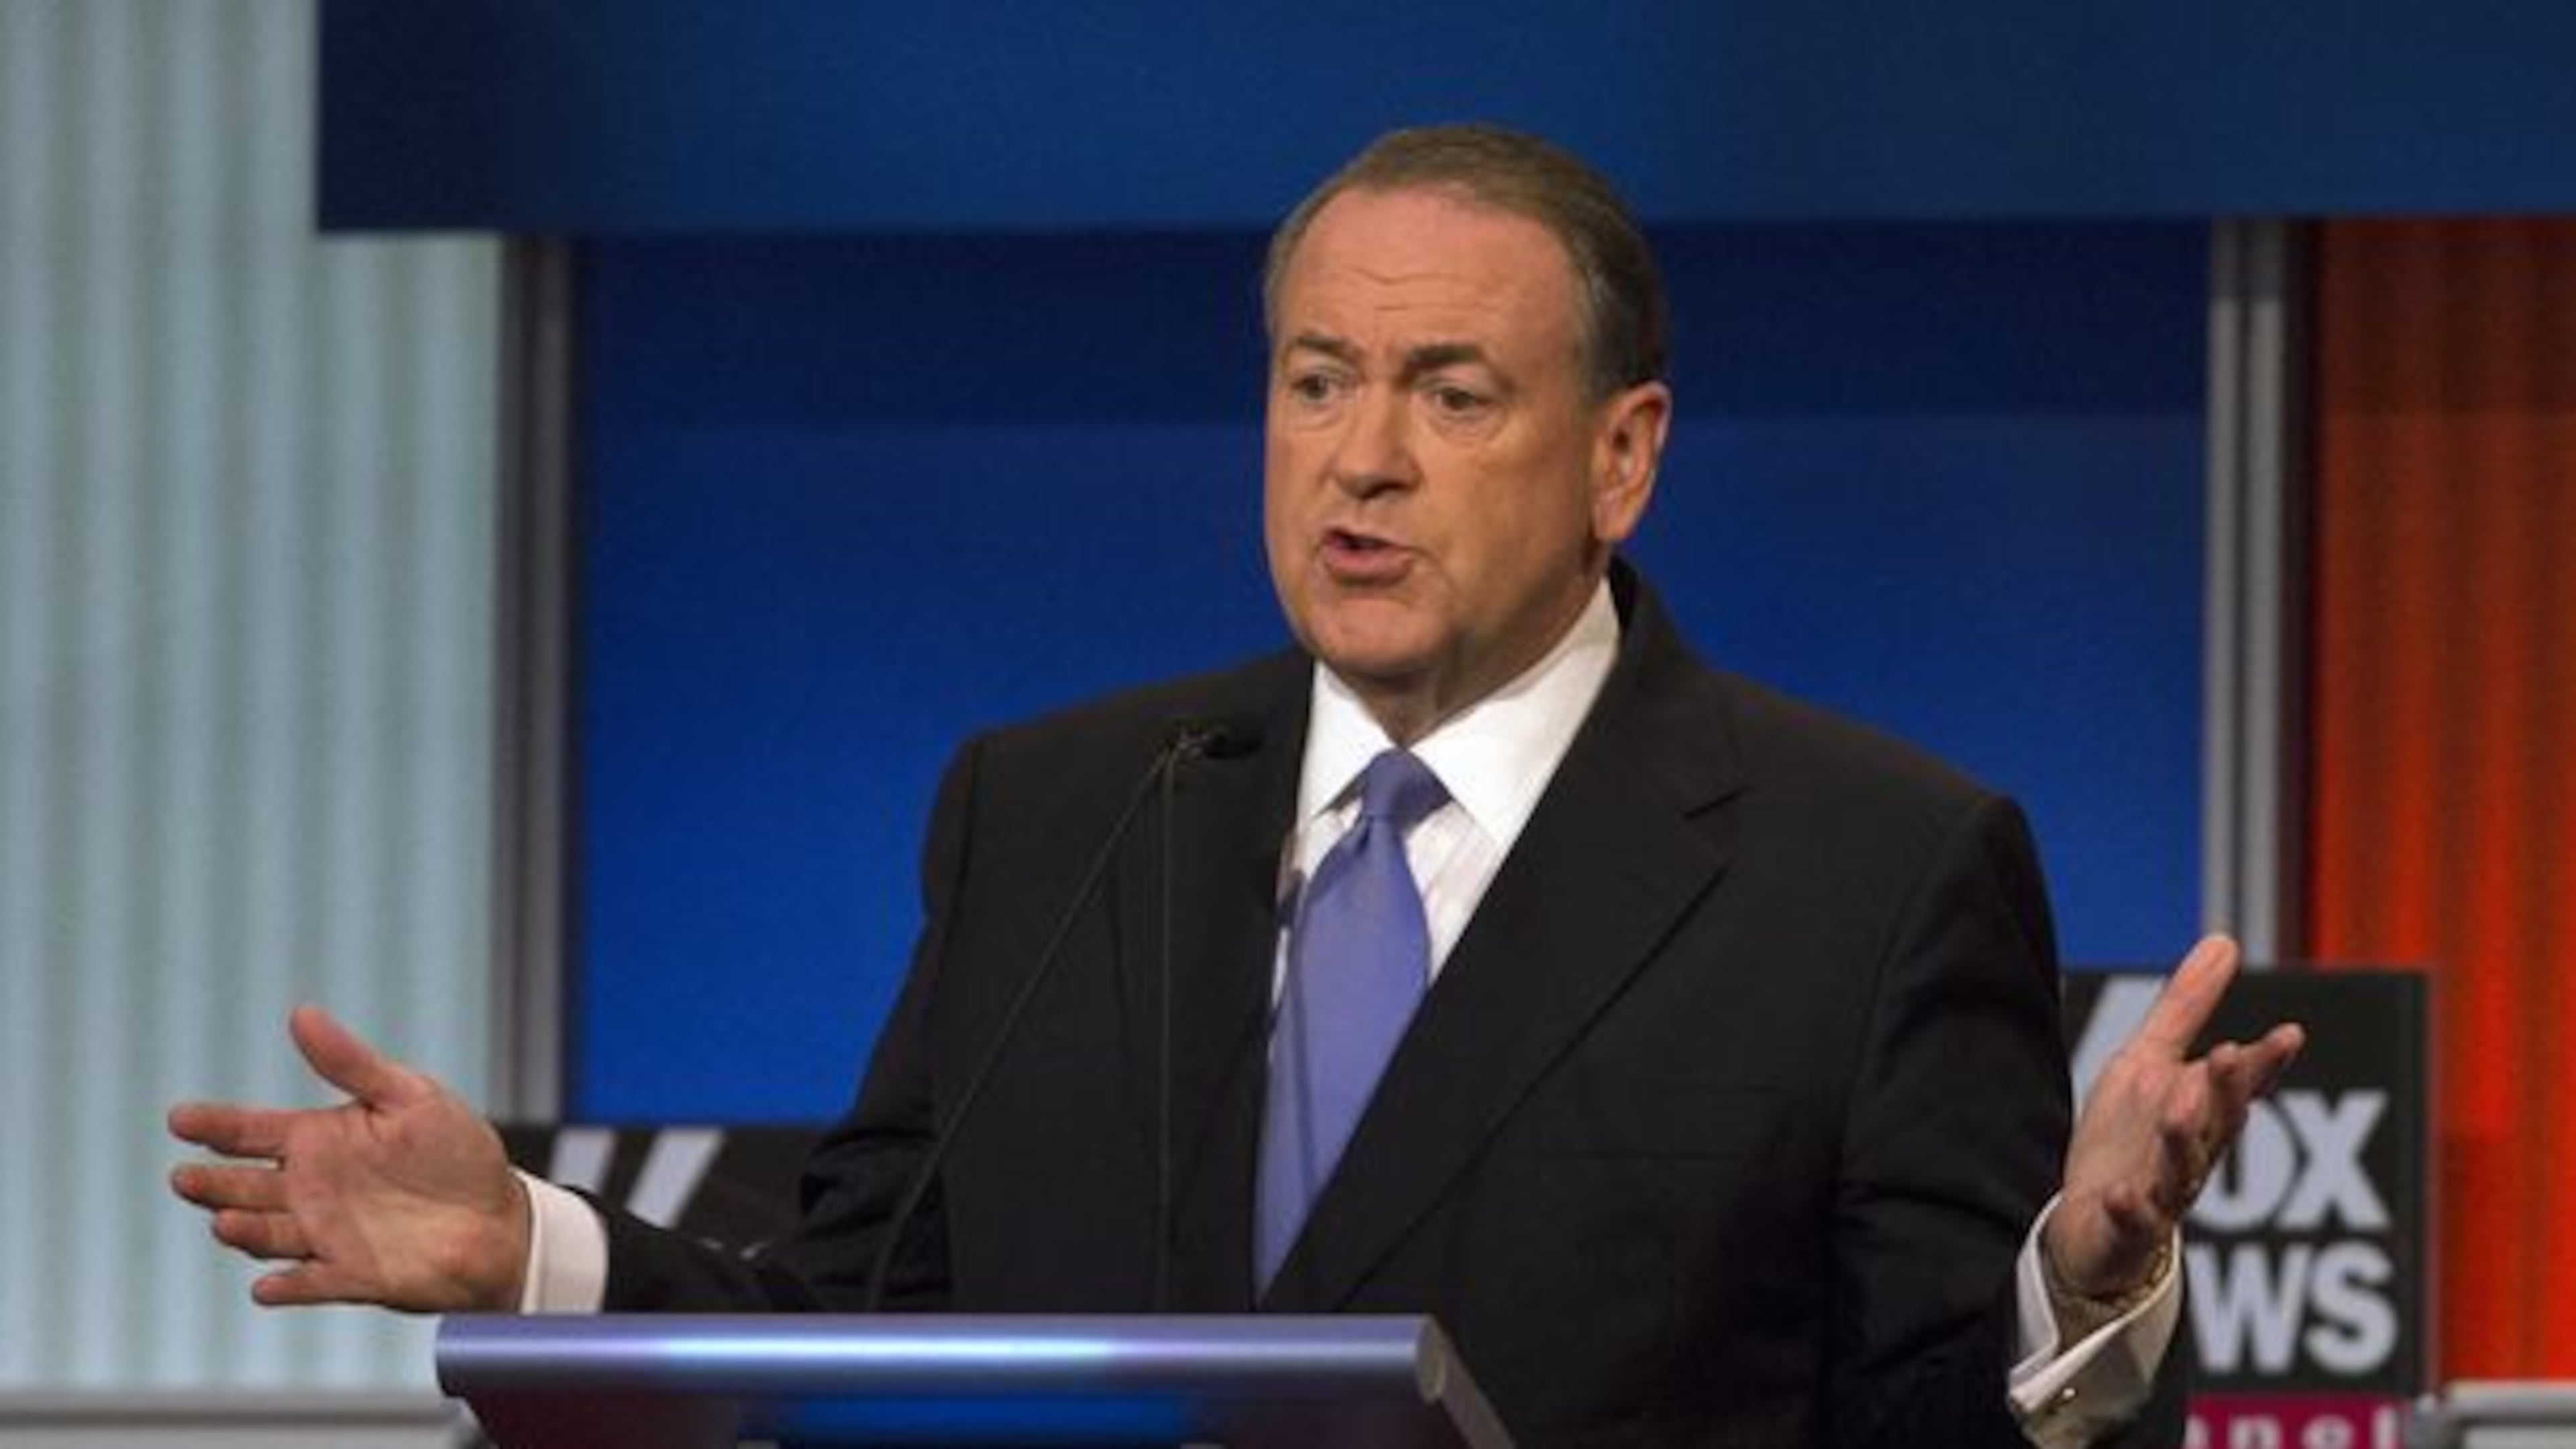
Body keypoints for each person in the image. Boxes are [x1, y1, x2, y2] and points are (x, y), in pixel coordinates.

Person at [170, 125, 2302, 1448]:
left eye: (1451, 393)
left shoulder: (1872, 873)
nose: (1359, 455)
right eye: (1315, 381)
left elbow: (1927, 1417)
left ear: (1622, 456)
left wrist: (2081, 1286)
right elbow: (863, 1335)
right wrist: (536, 1251)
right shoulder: (1063, 806)